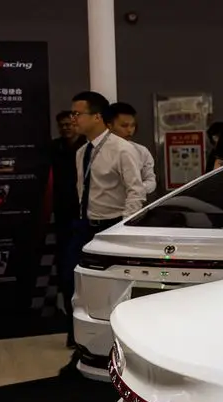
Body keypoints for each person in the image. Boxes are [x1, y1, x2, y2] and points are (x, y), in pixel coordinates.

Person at [67, 91, 145, 355]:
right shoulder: (82, 151)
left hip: (111, 226)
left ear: (97, 117)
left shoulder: (122, 149)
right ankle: (80, 338)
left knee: (111, 288)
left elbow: (136, 191)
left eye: (78, 114)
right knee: (74, 280)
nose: (73, 119)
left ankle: (116, 341)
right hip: (84, 224)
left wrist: (124, 229)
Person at [48, 111, 84, 335]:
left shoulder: (87, 147)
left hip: (84, 212)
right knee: (65, 265)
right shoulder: (54, 148)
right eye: (62, 125)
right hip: (61, 212)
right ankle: (69, 319)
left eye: (69, 124)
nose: (66, 128)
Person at [105, 102, 155, 196]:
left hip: (134, 200)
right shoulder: (98, 151)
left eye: (132, 125)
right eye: (124, 126)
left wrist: (137, 188)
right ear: (109, 126)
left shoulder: (141, 151)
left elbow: (151, 181)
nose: (129, 130)